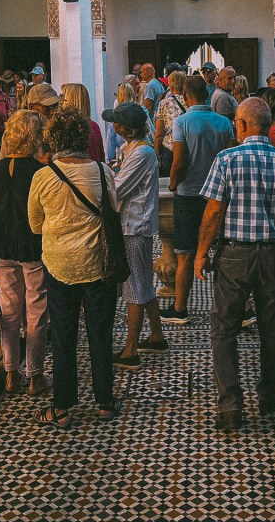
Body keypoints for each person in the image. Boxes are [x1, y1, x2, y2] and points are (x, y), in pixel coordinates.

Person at [195, 97, 275, 430]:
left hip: (234, 254)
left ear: (244, 125)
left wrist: (201, 253)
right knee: (271, 324)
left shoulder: (226, 160)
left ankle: (231, 406)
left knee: (224, 329)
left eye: (237, 122)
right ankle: (268, 394)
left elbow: (214, 211)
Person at [28, 108, 120, 428]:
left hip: (58, 264)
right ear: (83, 137)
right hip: (97, 261)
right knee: (100, 332)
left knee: (64, 335)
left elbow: (35, 224)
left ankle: (63, 406)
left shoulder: (43, 175)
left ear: (52, 138)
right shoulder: (101, 170)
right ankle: (105, 401)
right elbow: (114, 208)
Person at [162, 76, 235, 325]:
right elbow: (229, 153)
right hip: (218, 194)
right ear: (207, 93)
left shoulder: (183, 121)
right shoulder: (224, 122)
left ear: (185, 95)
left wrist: (173, 182)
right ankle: (242, 309)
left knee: (185, 253)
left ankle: (180, 308)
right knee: (225, 251)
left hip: (189, 194)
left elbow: (180, 160)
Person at [102, 102, 167, 370]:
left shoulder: (142, 153)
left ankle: (131, 350)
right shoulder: (134, 149)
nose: (113, 126)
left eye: (116, 122)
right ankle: (156, 335)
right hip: (133, 224)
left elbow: (117, 189)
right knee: (142, 283)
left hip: (134, 226)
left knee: (134, 288)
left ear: (125, 128)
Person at [0, 110, 50, 395]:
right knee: (36, 310)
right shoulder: (40, 171)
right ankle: (36, 375)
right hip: (33, 246)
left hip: (3, 245)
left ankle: (11, 372)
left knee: (10, 310)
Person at [60, 82, 105, 162]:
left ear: (70, 100)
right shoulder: (94, 126)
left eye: (62, 97)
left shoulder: (68, 128)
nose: (59, 101)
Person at [155, 70, 187, 174]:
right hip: (187, 147)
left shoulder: (164, 103)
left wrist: (158, 155)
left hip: (169, 148)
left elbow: (159, 134)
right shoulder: (190, 101)